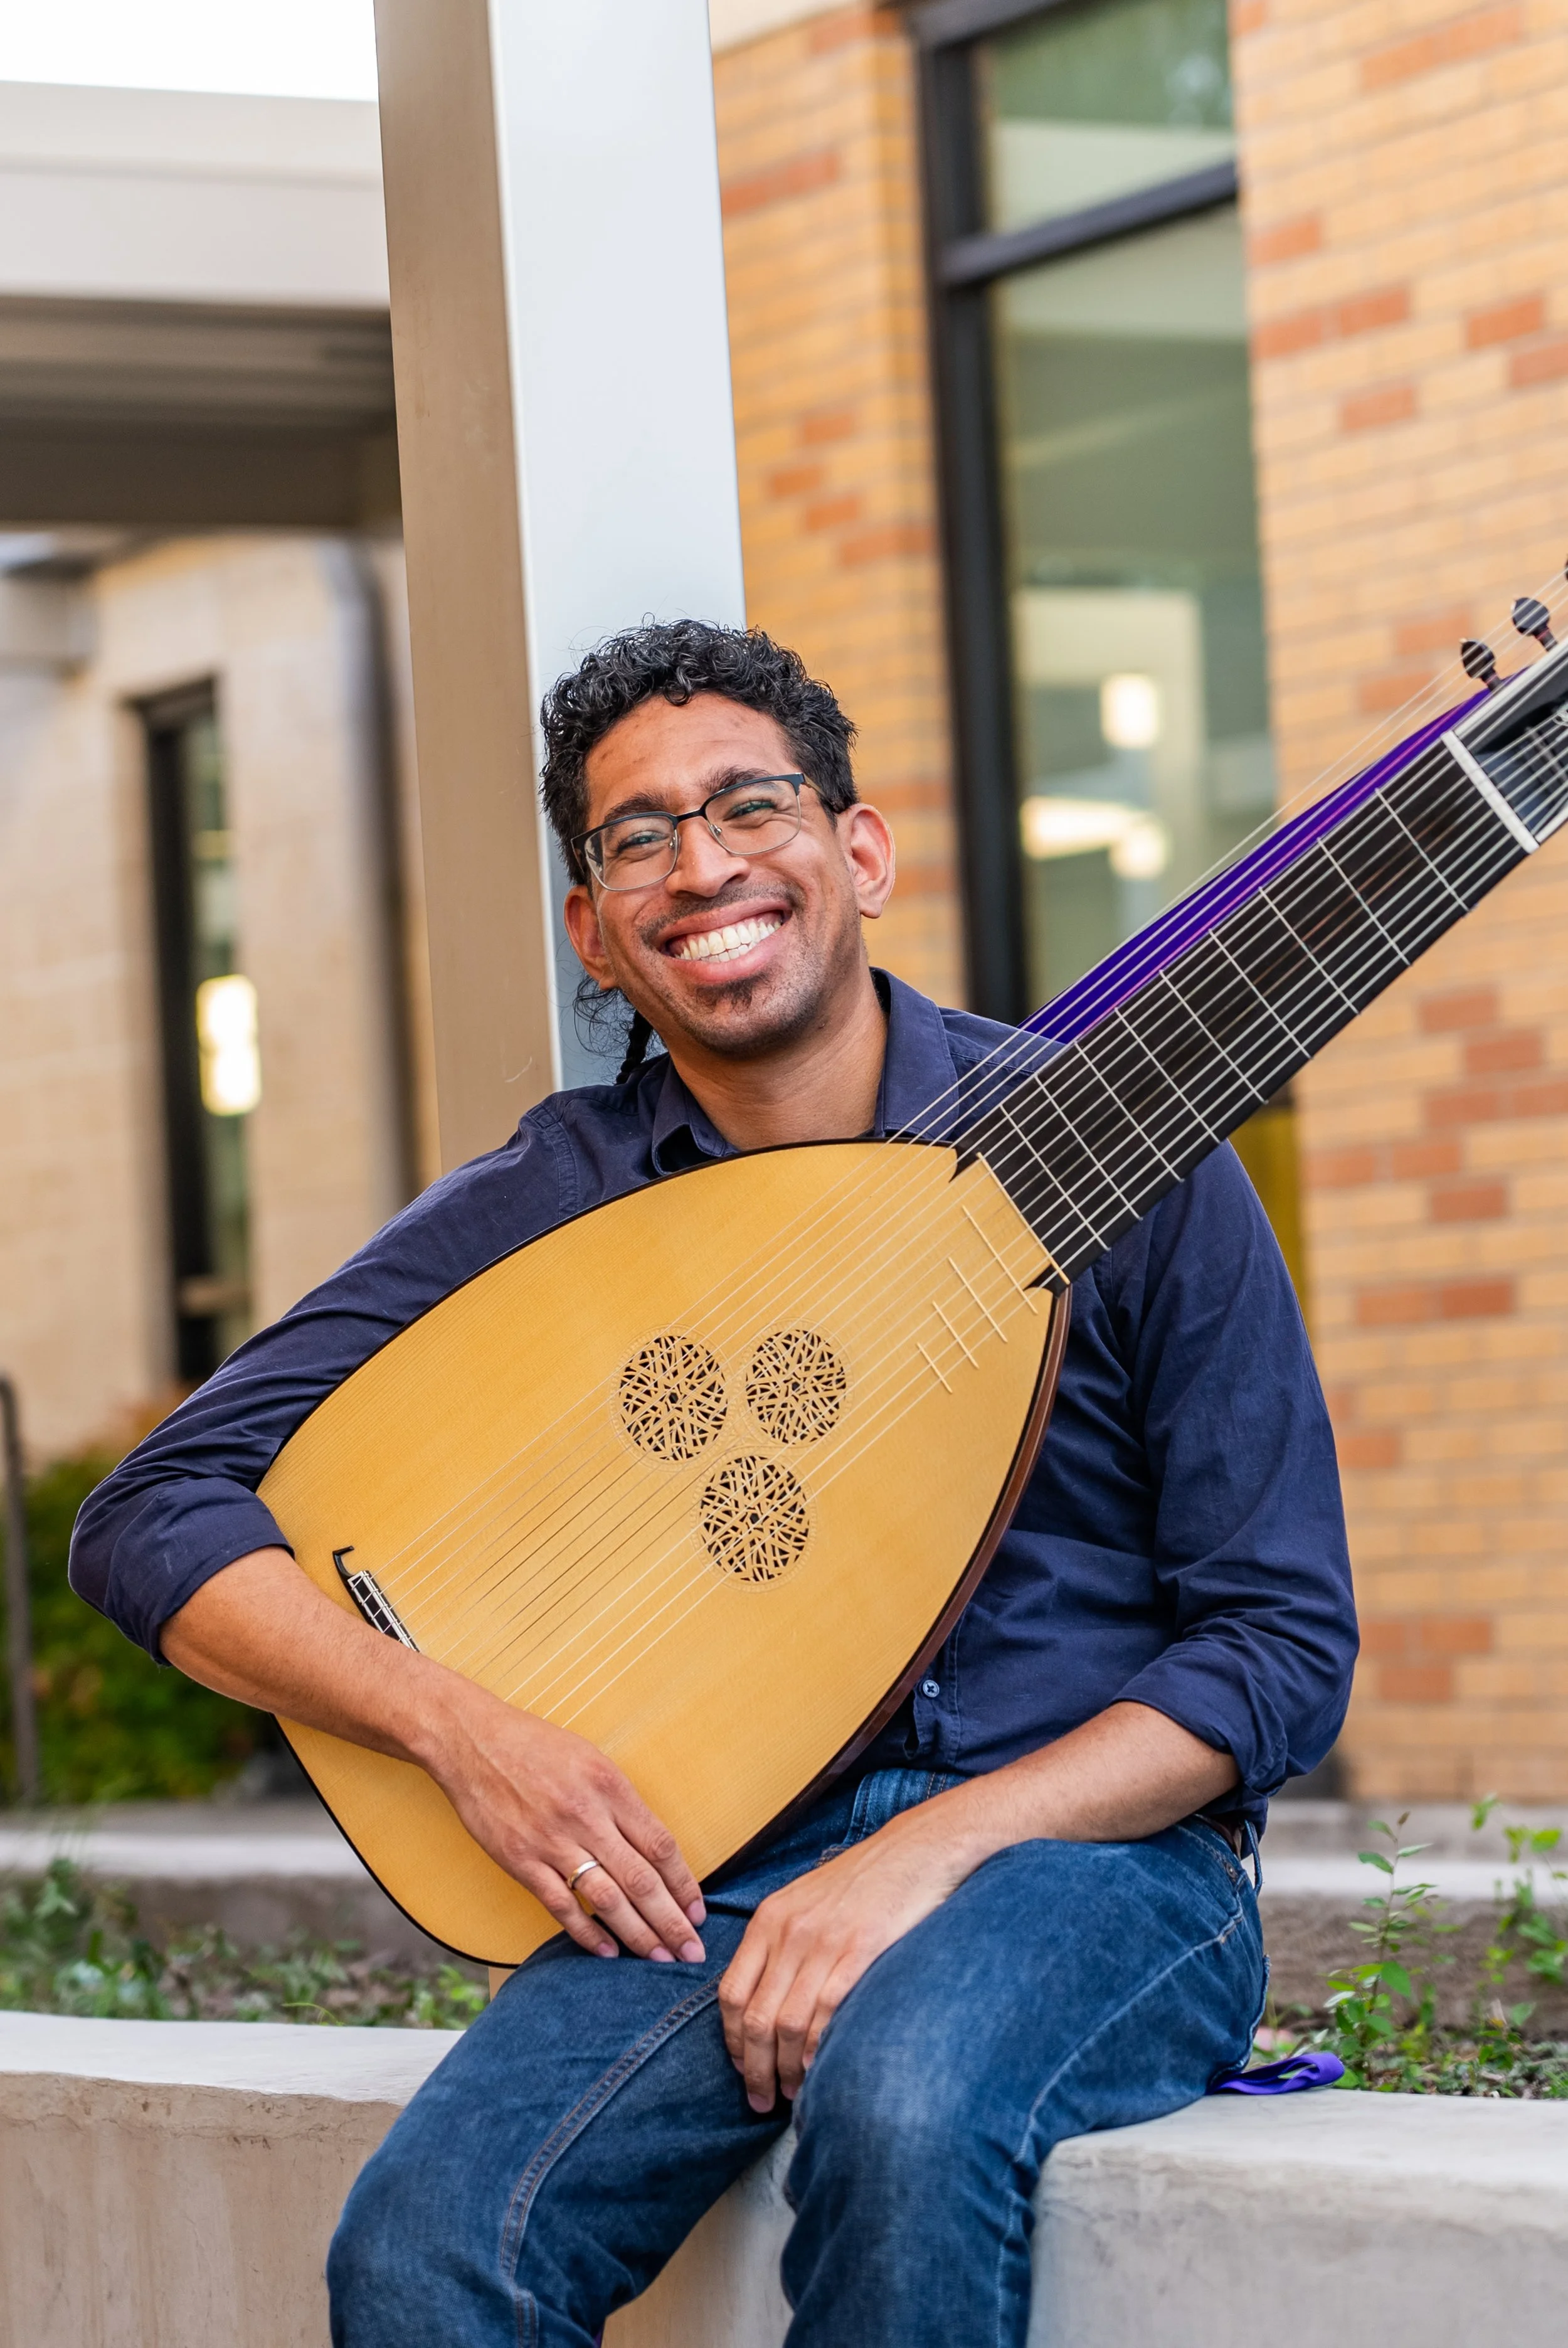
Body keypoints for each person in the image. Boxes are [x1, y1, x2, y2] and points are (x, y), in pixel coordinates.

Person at [71, 622, 1357, 2347]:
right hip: (712, 1865)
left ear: (859, 850)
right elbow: (155, 1509)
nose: (702, 864)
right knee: (429, 2244)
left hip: (1098, 1863)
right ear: (595, 930)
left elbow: (1276, 1643)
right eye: (635, 838)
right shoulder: (558, 1197)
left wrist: (924, 1856)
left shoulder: (1118, 1149)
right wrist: (465, 1730)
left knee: (902, 2104)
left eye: (750, 803)